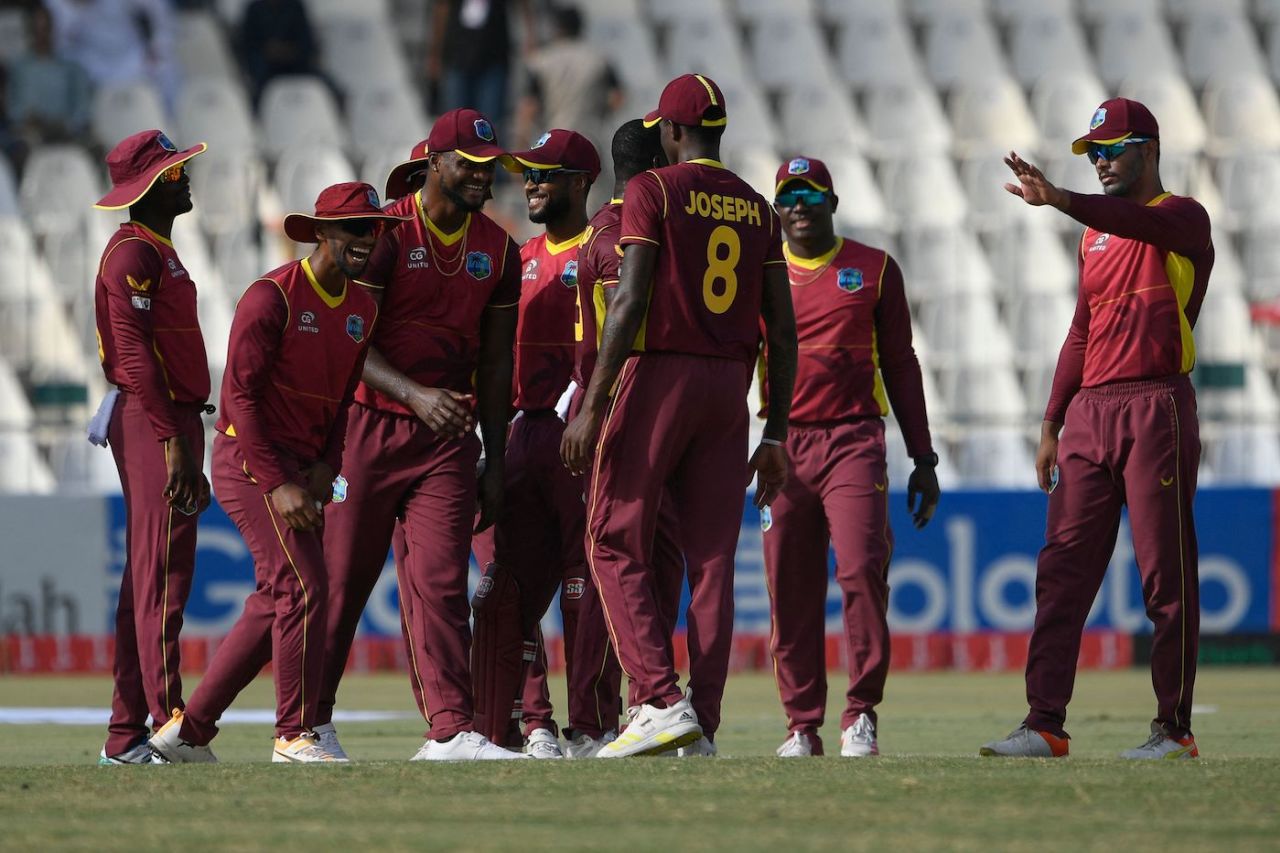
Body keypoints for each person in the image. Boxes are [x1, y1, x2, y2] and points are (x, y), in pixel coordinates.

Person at [561, 74, 798, 758]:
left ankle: (660, 700)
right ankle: (704, 724)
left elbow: (630, 300)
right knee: (714, 559)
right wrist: (775, 428)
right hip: (730, 386)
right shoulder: (758, 206)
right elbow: (782, 332)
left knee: (611, 536)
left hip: (660, 371)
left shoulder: (651, 189)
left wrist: (594, 405)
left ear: (669, 132)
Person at [980, 98, 1214, 760]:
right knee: (1061, 570)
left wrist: (1059, 196)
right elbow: (1082, 330)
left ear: (1151, 148)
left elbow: (1129, 217)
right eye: (1095, 152)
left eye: (1114, 148)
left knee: (1164, 574)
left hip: (1155, 405)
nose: (1104, 160)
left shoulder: (1183, 218)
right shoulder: (1094, 236)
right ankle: (1044, 723)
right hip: (1090, 415)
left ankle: (1174, 728)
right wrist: (1052, 420)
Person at [148, 182, 400, 764]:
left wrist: (325, 468)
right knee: (305, 587)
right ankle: (294, 734)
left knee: (277, 598)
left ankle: (188, 734)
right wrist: (279, 483)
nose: (367, 240)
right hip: (248, 461)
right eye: (354, 229)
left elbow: (342, 403)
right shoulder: (273, 296)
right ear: (321, 233)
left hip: (302, 468)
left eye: (375, 229)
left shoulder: (362, 310)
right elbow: (240, 399)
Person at [318, 109, 527, 762]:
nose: (483, 177)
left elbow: (495, 364)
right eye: (470, 164)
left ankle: (451, 730)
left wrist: (494, 459)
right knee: (343, 583)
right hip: (368, 425)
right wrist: (415, 394)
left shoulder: (499, 248)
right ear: (435, 162)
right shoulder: (386, 235)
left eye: (491, 166)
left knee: (441, 582)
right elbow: (349, 338)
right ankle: (305, 724)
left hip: (448, 438)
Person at [764, 157, 939, 759]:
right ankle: (801, 724)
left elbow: (902, 364)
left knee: (862, 569)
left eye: (812, 193)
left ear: (833, 203)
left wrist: (924, 457)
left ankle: (860, 714)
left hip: (854, 441)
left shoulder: (874, 269)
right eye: (789, 194)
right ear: (776, 207)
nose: (800, 204)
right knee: (790, 588)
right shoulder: (761, 275)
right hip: (781, 448)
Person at [469, 128, 620, 759]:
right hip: (519, 435)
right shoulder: (521, 258)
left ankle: (591, 724)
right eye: (527, 174)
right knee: (509, 586)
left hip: (579, 433)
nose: (530, 183)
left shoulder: (608, 250)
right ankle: (525, 724)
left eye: (545, 174)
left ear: (581, 182)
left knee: (584, 582)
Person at [92, 129, 210, 765]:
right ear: (153, 185)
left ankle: (124, 733)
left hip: (166, 417)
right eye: (175, 172)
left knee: (149, 575)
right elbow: (134, 355)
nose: (187, 178)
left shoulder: (155, 251)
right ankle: (166, 725)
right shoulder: (132, 255)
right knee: (162, 571)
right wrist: (172, 440)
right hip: (150, 417)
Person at [513, 5, 623, 156]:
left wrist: (521, 144)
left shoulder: (540, 61)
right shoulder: (599, 59)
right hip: (590, 141)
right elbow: (617, 99)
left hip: (552, 140)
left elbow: (529, 107)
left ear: (557, 28)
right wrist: (602, 112)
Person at [6, 4, 92, 164]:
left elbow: (82, 111)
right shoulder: (19, 67)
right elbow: (14, 111)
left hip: (66, 134)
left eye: (45, 28)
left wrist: (65, 124)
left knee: (94, 149)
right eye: (36, 29)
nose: (41, 35)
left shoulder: (70, 67)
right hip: (31, 137)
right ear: (29, 31)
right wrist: (28, 120)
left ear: (53, 29)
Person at [427, 0, 532, 125]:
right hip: (457, 57)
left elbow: (523, 6)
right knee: (455, 123)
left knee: (488, 124)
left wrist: (530, 36)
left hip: (493, 57)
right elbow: (442, 8)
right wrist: (435, 53)